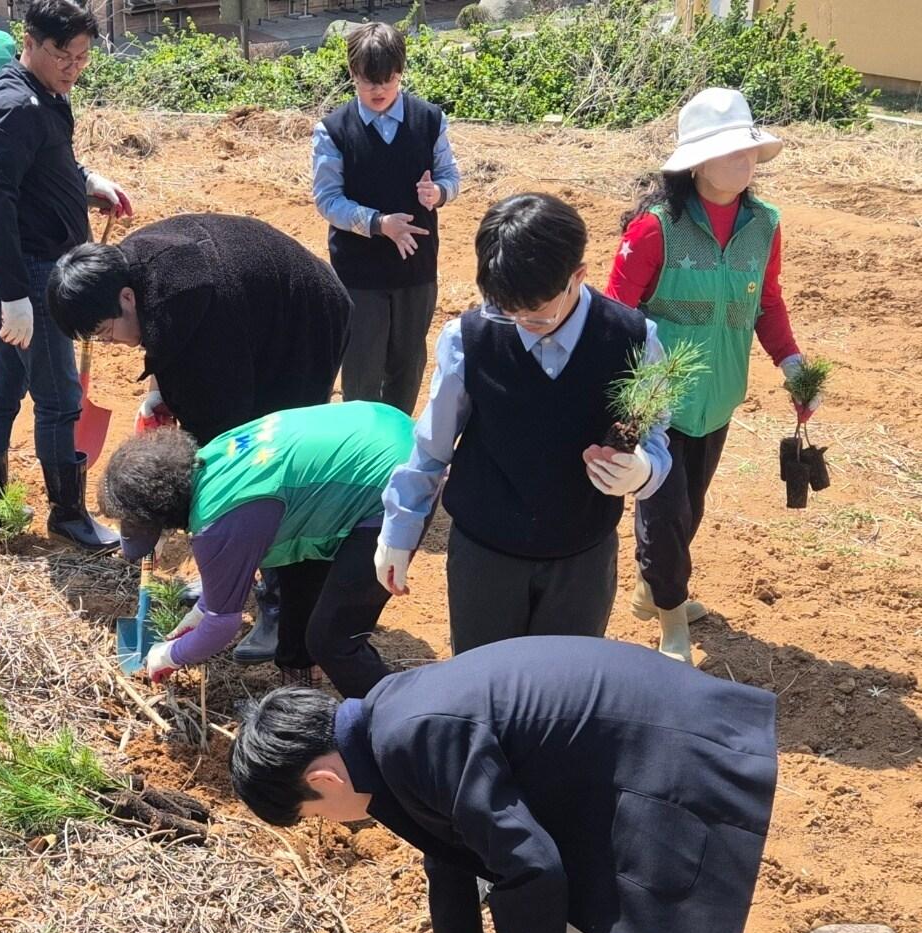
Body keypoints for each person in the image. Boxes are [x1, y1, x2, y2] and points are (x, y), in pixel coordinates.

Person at [230, 635, 778, 933]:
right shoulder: (382, 726)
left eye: (315, 815)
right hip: (644, 736)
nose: (334, 824)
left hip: (671, 753)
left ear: (323, 782)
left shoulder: (411, 737)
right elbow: (449, 864)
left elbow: (532, 870)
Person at [376, 193, 672, 656]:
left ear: (578, 276)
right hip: (485, 554)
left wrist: (643, 471)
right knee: (482, 684)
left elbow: (655, 436)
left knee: (563, 690)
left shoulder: (633, 339)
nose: (520, 324)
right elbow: (431, 447)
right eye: (504, 310)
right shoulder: (467, 339)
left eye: (537, 314)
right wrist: (399, 530)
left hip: (581, 559)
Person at [48, 214, 352, 659]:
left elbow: (224, 449)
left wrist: (149, 513)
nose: (110, 344)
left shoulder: (188, 308)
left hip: (306, 321)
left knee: (265, 464)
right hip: (252, 311)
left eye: (104, 331)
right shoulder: (130, 271)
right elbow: (166, 343)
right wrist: (159, 393)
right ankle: (236, 573)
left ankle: (282, 609)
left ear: (126, 297)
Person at [606, 88, 817, 662]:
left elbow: (767, 303)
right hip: (657, 397)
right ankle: (672, 616)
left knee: (689, 507)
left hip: (720, 395)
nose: (745, 162)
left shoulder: (764, 226)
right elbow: (615, 313)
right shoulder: (654, 229)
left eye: (749, 151)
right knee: (664, 512)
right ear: (697, 162)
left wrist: (792, 364)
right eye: (730, 153)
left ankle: (653, 589)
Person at [101, 401, 413, 697]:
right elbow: (232, 568)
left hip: (395, 482)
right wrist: (201, 611)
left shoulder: (216, 524)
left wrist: (169, 655)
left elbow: (222, 626)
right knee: (314, 604)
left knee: (332, 642)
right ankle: (322, 693)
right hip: (377, 425)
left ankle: (399, 728)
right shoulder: (209, 460)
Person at [0, 0, 132, 552]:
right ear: (31, 41)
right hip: (30, 272)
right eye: (62, 54)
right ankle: (67, 514)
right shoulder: (13, 105)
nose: (72, 66)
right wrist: (15, 292)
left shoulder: (47, 96)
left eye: (82, 56)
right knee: (60, 397)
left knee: (7, 381)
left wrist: (89, 181)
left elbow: (47, 164)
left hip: (41, 264)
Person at [313, 22, 459, 414]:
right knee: (361, 372)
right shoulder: (333, 131)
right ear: (352, 73)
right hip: (359, 275)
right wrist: (379, 224)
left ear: (401, 72)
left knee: (407, 367)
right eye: (368, 81)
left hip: (416, 270)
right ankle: (362, 455)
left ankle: (396, 449)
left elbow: (451, 177)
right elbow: (327, 200)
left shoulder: (430, 120)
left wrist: (439, 192)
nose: (379, 90)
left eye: (388, 80)